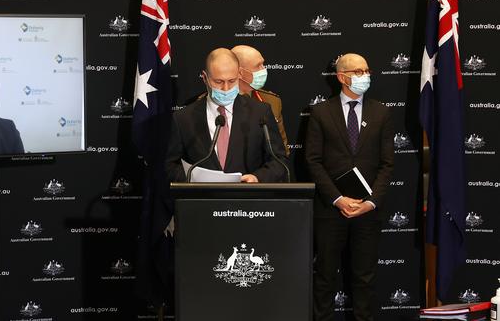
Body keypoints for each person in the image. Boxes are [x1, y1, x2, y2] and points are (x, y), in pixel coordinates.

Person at [305, 53, 394, 321]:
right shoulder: (321, 113)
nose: (365, 75)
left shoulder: (382, 112)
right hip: (331, 210)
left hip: (368, 211)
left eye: (367, 70)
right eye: (358, 71)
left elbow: (387, 164)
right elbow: (313, 160)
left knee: (364, 278)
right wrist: (337, 199)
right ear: (341, 77)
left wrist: (370, 202)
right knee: (324, 277)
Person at [166, 48, 288, 183]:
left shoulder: (260, 113)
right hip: (202, 200)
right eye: (218, 82)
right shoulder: (183, 118)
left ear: (239, 74)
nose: (226, 88)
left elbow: (278, 161)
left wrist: (257, 178)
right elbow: (169, 165)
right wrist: (193, 182)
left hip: (247, 199)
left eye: (231, 81)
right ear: (205, 78)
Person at [231, 45, 290, 157]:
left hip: (264, 172)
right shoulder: (216, 102)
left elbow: (282, 150)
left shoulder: (272, 101)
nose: (264, 70)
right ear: (239, 72)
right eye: (258, 66)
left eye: (263, 64)